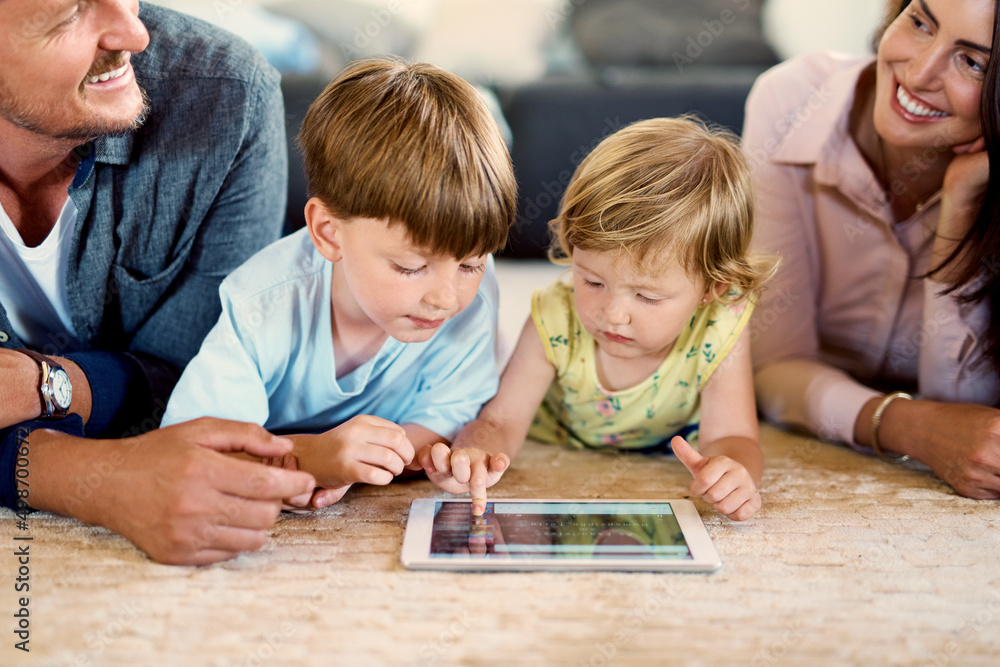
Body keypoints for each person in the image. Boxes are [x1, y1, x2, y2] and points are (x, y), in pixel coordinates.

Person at [0, 0, 316, 565]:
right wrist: (95, 479)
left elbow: (195, 384)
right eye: (71, 13)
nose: (134, 33)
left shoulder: (227, 94)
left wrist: (40, 387)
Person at [161, 57, 518, 510]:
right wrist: (311, 457)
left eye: (470, 264)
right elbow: (192, 453)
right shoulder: (264, 304)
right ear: (329, 233)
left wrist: (396, 455)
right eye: (410, 267)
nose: (447, 299)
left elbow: (450, 412)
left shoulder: (475, 302)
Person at [418, 117, 773, 521]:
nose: (613, 314)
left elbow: (734, 435)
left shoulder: (720, 323)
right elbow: (501, 419)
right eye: (592, 280)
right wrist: (475, 451)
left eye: (647, 296)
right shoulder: (556, 315)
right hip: (560, 439)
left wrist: (734, 473)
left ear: (712, 287)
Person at [744, 0, 1000, 499]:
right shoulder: (792, 101)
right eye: (920, 22)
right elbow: (771, 368)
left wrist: (960, 209)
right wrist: (913, 427)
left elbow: (971, 420)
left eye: (972, 61)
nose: (919, 71)